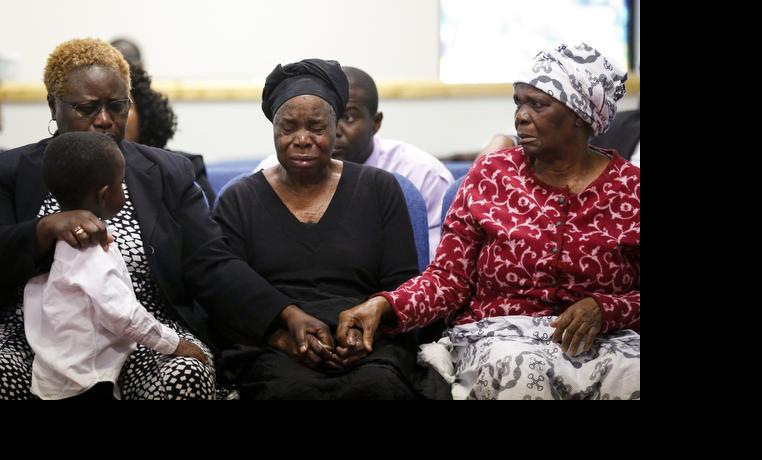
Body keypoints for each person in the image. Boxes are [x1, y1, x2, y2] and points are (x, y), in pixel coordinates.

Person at [0, 38, 329, 400]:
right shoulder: (13, 171)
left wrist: (284, 313)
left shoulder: (168, 171)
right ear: (53, 106)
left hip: (143, 333)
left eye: (117, 105)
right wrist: (42, 231)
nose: (105, 120)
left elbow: (211, 263)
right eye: (87, 108)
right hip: (38, 335)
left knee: (185, 372)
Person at [336, 43, 640, 400]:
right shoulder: (492, 175)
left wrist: (608, 308)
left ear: (580, 114)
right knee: (522, 370)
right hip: (499, 337)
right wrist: (386, 304)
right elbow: (449, 279)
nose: (521, 117)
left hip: (608, 340)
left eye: (537, 105)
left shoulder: (630, 188)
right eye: (518, 102)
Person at [213, 59, 447, 400]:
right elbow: (227, 297)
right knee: (289, 391)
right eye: (289, 127)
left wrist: (367, 334)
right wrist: (282, 340)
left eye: (317, 127)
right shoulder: (240, 199)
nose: (302, 139)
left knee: (378, 388)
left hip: (370, 343)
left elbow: (402, 285)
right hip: (274, 346)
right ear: (274, 130)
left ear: (335, 128)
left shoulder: (380, 189)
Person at [25, 132, 208, 400]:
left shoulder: (62, 241)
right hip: (83, 382)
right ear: (104, 194)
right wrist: (176, 344)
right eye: (121, 183)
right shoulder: (90, 254)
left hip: (53, 373)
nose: (124, 189)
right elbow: (124, 316)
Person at [253, 66, 453, 259]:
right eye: (324, 118)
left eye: (347, 117)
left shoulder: (423, 175)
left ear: (376, 123)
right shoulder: (270, 173)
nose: (334, 130)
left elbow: (436, 265)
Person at [125, 63, 216, 206]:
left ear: (144, 111)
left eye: (119, 105)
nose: (104, 118)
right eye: (90, 107)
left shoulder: (182, 170)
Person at [479, 104, 639, 167]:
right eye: (518, 102)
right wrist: (505, 139)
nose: (520, 116)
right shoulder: (617, 123)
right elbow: (550, 130)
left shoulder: (628, 184)